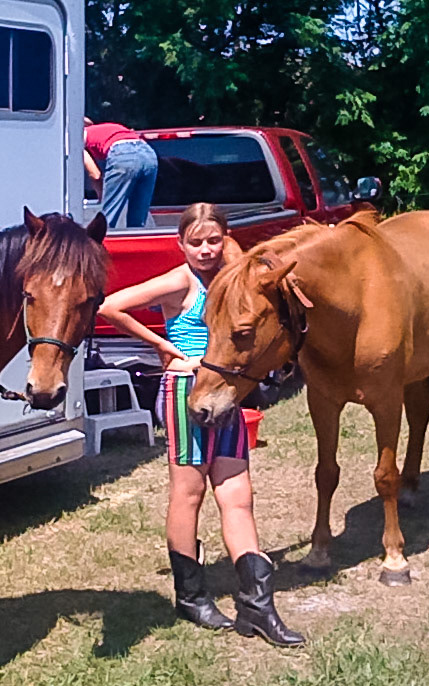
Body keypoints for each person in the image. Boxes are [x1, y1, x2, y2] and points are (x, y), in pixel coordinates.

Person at [97, 203, 305, 647]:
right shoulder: (181, 281)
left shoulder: (231, 278)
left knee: (237, 496)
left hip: (227, 393)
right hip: (185, 393)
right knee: (189, 494)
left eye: (214, 240)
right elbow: (113, 306)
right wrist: (167, 348)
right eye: (196, 242)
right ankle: (190, 595)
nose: (206, 250)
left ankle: (257, 605)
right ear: (181, 244)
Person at [83, 118, 158, 228]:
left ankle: (103, 243)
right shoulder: (107, 128)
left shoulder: (78, 138)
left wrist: (101, 198)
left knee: (107, 220)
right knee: (138, 221)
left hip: (123, 154)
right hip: (149, 154)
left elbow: (95, 175)